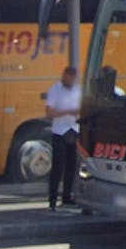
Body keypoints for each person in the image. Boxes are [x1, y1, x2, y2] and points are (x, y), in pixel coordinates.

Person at [44, 65, 81, 211]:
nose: (70, 79)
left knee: (71, 167)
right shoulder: (55, 89)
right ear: (64, 75)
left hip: (74, 130)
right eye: (68, 76)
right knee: (58, 167)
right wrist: (68, 112)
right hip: (60, 131)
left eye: (72, 77)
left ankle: (67, 197)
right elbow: (49, 112)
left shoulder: (78, 90)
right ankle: (52, 199)